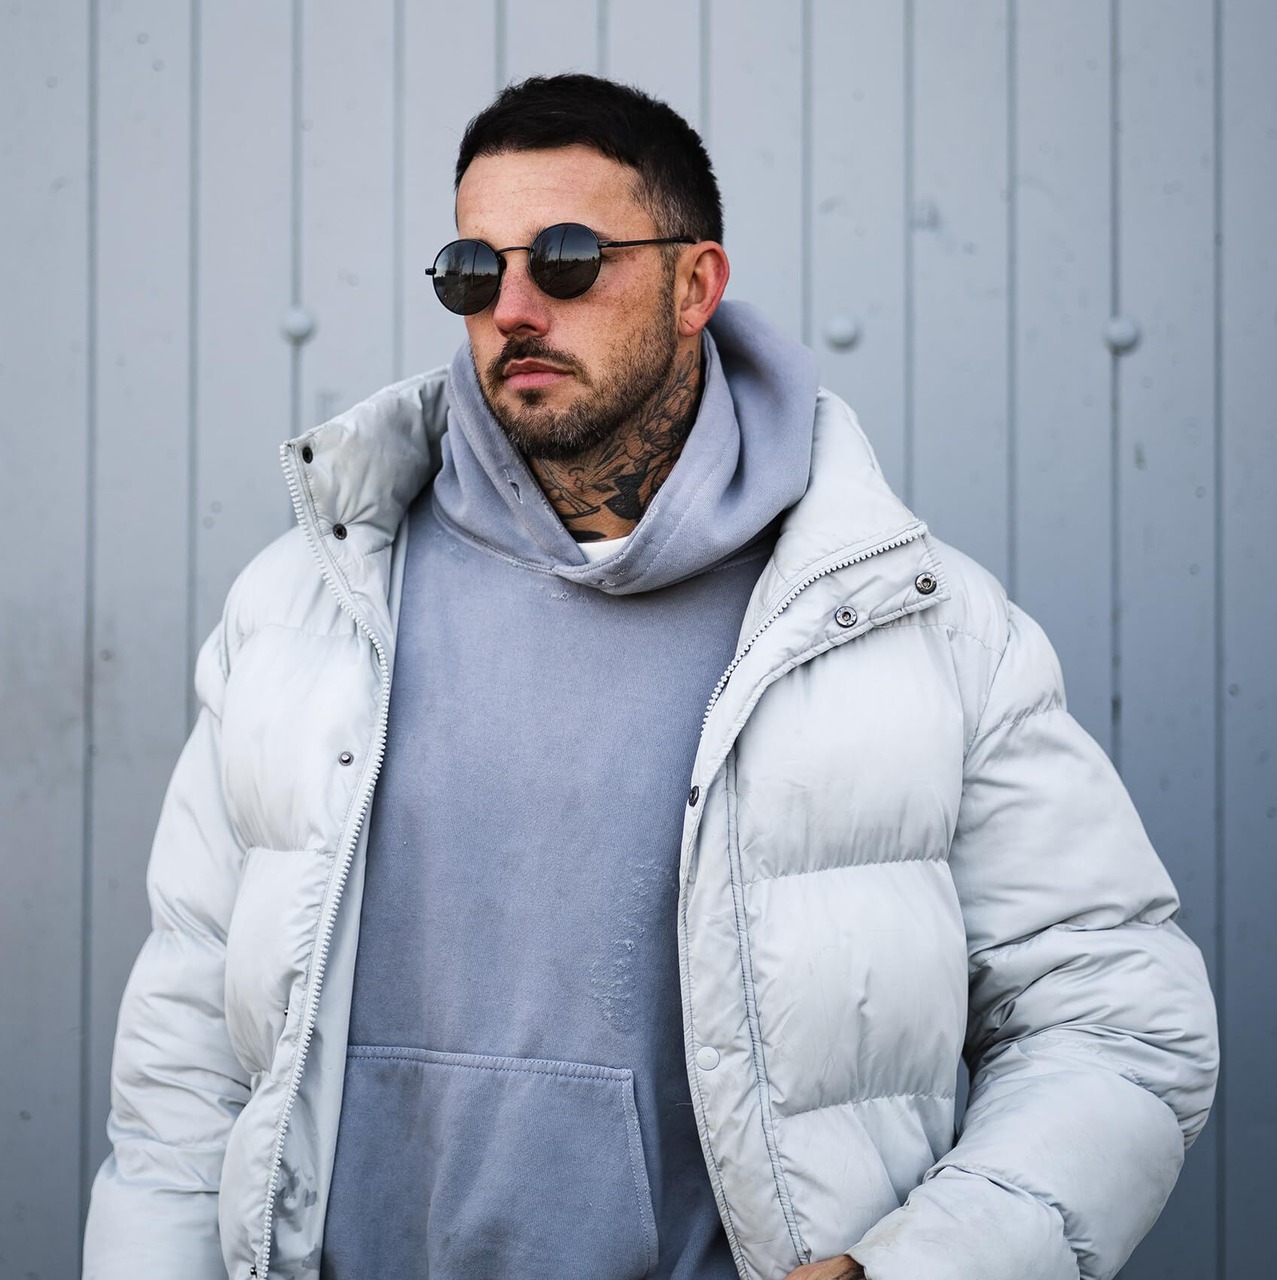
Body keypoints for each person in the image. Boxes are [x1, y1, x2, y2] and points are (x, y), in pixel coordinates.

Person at [82, 74, 1218, 1280]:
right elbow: (185, 1066)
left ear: (694, 285)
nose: (512, 307)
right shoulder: (305, 610)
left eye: (567, 259)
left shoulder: (911, 625)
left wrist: (919, 1266)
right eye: (472, 270)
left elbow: (1113, 1019)